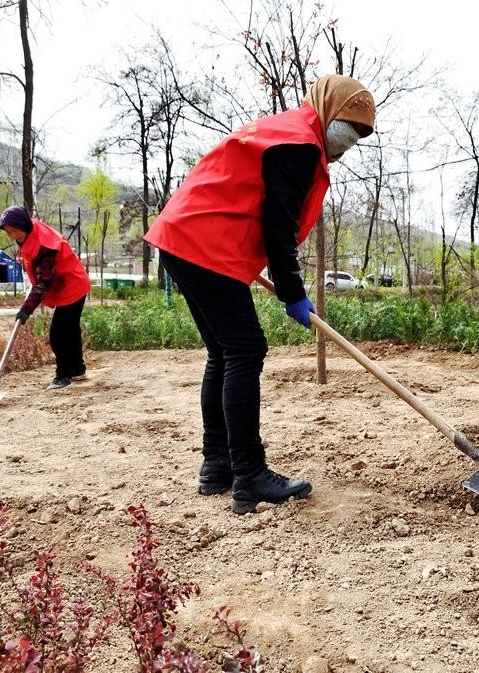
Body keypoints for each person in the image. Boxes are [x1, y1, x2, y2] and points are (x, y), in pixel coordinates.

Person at [144, 74, 375, 514]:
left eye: (353, 142)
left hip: (186, 236)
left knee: (225, 352)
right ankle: (249, 475)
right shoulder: (298, 145)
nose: (344, 149)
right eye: (343, 135)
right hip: (203, 242)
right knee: (245, 350)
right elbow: (278, 226)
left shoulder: (286, 130)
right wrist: (293, 292)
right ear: (325, 112)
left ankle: (217, 468)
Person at [0, 206, 92, 390]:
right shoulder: (29, 231)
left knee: (59, 334)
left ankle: (63, 375)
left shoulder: (44, 245)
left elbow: (44, 282)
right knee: (70, 330)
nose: (12, 235)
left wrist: (27, 308)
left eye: (14, 230)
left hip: (72, 284)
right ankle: (78, 369)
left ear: (23, 225)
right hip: (68, 282)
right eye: (8, 232)